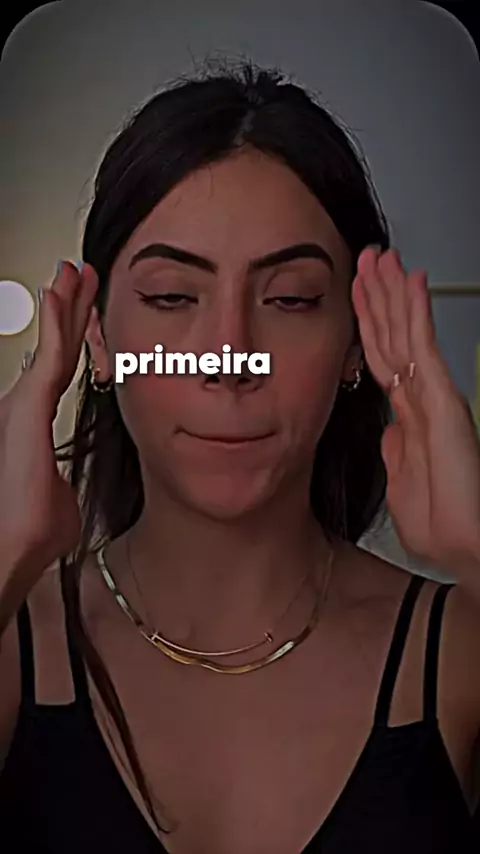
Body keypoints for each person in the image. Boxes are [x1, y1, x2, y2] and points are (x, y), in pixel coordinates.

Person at [0, 61, 479, 854]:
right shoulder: (15, 643)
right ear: (98, 337)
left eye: (290, 299)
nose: (228, 358)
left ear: (355, 342)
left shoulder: (458, 652)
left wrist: (475, 543)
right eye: (171, 297)